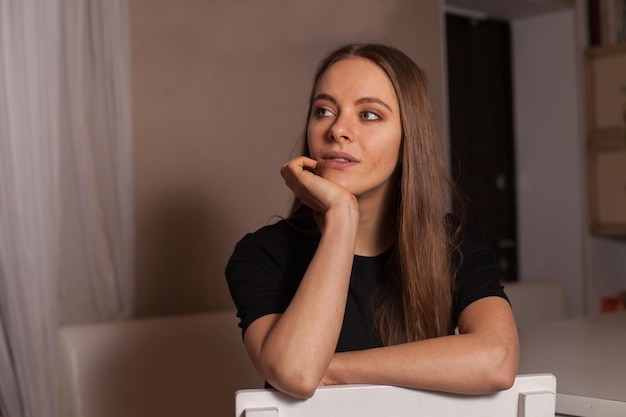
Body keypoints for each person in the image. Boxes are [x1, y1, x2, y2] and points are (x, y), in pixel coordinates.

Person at [225, 43, 519, 399]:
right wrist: (341, 215)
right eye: (324, 110)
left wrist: (332, 370)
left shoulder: (455, 244)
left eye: (369, 114)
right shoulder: (261, 254)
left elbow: (497, 361)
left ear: (408, 139)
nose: (337, 130)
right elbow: (299, 375)